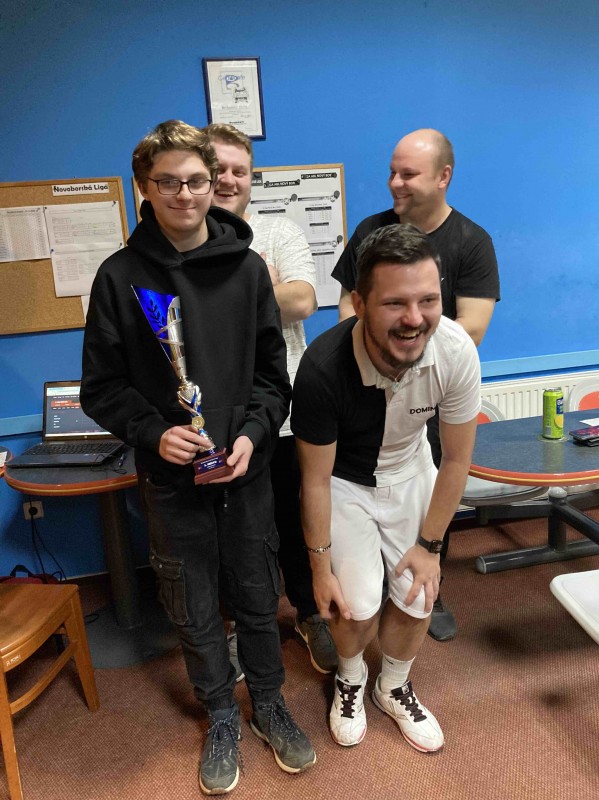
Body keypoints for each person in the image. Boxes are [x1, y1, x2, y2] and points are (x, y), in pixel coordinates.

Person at [80, 120, 315, 796]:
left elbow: (273, 378)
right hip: (170, 477)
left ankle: (267, 702)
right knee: (190, 598)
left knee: (256, 589)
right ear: (144, 188)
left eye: (195, 181)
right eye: (168, 183)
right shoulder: (118, 276)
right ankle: (220, 713)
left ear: (214, 184)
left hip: (243, 469)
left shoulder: (247, 269)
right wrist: (154, 432)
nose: (184, 195)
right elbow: (101, 388)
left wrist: (253, 434)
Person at [292, 224, 480, 750]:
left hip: (412, 468)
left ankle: (392, 686)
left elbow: (456, 459)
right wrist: (319, 568)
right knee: (354, 606)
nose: (414, 318)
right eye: (395, 303)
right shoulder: (322, 368)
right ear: (359, 303)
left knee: (419, 595)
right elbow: (314, 480)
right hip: (343, 481)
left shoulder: (455, 351)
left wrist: (430, 547)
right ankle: (351, 678)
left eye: (428, 300)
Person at [332, 129, 499, 641]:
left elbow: (471, 328)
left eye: (408, 174)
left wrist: (407, 354)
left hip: (432, 394)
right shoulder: (370, 231)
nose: (394, 183)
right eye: (392, 172)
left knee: (432, 493)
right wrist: (376, 358)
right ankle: (372, 587)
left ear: (444, 177)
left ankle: (428, 582)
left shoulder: (472, 242)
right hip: (366, 387)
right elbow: (347, 309)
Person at [204, 122, 337, 674]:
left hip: (284, 409)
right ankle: (242, 624)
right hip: (219, 414)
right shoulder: (183, 239)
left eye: (240, 170)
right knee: (234, 530)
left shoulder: (279, 230)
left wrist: (228, 294)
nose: (229, 180)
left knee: (297, 514)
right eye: (218, 169)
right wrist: (262, 287)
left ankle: (309, 613)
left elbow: (303, 300)